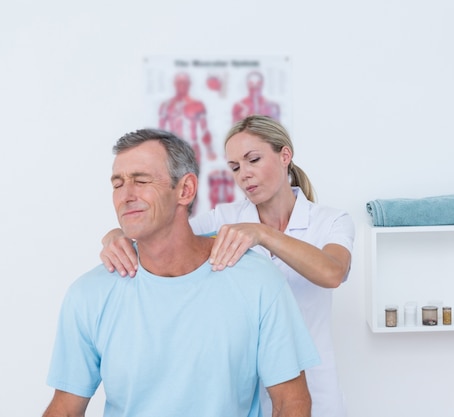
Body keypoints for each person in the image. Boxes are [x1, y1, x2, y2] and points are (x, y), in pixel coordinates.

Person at [43, 129, 319, 417]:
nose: (125, 195)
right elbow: (64, 409)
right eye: (117, 184)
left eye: (141, 180)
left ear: (185, 190)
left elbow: (291, 402)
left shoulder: (256, 281)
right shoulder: (89, 294)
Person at [100, 116, 355, 417]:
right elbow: (167, 232)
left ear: (285, 156)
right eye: (235, 167)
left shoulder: (331, 221)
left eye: (253, 160)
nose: (244, 174)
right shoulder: (224, 218)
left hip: (313, 387)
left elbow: (332, 272)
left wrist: (262, 233)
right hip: (243, 393)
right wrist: (117, 235)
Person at [159, 71, 217, 161]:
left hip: (192, 149)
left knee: (193, 174)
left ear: (189, 84)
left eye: (185, 83)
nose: (182, 86)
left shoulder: (197, 105)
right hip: (173, 150)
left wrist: (209, 150)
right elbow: (160, 132)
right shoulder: (166, 105)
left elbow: (204, 130)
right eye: (179, 83)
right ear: (174, 84)